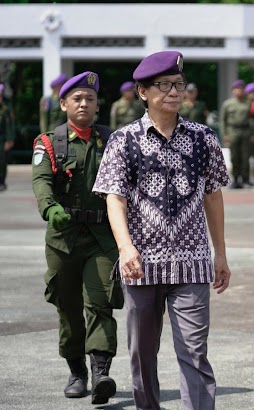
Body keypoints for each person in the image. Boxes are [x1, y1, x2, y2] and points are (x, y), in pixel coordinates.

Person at [93, 50, 232, 410]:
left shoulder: (204, 138)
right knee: (142, 354)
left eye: (178, 84)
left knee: (194, 352)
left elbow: (213, 197)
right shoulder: (123, 140)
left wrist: (221, 254)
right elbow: (115, 199)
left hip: (192, 265)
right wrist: (125, 248)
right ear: (143, 92)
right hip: (142, 265)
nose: (174, 92)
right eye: (164, 85)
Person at [31, 71, 122, 404]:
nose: (84, 103)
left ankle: (101, 373)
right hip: (63, 239)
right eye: (78, 98)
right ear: (64, 103)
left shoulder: (112, 141)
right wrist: (49, 207)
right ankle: (77, 372)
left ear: (98, 105)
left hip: (102, 237)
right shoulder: (49, 143)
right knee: (68, 309)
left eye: (90, 99)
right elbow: (41, 181)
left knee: (99, 304)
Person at [221, 79, 253, 188]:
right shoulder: (227, 104)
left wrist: (253, 133)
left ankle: (245, 179)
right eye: (237, 89)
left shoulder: (248, 103)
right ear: (233, 91)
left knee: (245, 157)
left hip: (245, 131)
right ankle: (235, 179)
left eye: (241, 89)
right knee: (234, 157)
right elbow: (223, 121)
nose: (239, 91)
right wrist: (225, 134)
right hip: (232, 131)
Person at [0, 83, 16, 191]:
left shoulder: (6, 109)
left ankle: (1, 181)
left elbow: (10, 125)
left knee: (2, 161)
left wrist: (10, 139)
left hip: (2, 139)